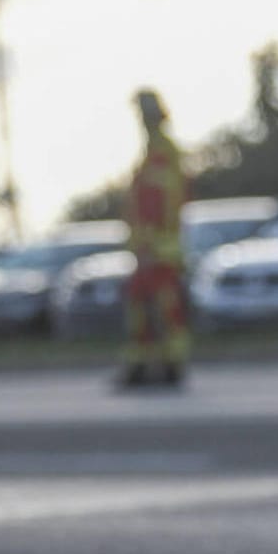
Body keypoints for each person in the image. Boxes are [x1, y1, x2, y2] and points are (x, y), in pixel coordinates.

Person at [117, 89, 190, 389]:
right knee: (143, 308)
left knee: (162, 307)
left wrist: (147, 245)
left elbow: (157, 204)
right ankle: (146, 364)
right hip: (152, 249)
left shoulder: (162, 153)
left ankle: (169, 365)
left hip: (159, 250)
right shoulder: (154, 152)